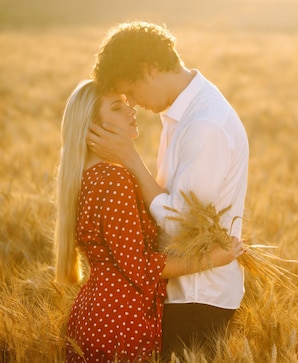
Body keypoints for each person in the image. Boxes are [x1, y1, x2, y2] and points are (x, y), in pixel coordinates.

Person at [87, 21, 249, 355]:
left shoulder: (204, 124)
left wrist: (130, 159)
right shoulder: (183, 113)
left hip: (197, 296)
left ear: (148, 69)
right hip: (182, 290)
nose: (131, 102)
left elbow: (182, 225)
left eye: (130, 90)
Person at [54, 80, 245, 362]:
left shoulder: (88, 177)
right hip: (121, 318)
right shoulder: (114, 179)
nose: (131, 110)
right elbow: (138, 266)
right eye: (117, 107)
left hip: (97, 311)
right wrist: (212, 259)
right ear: (93, 127)